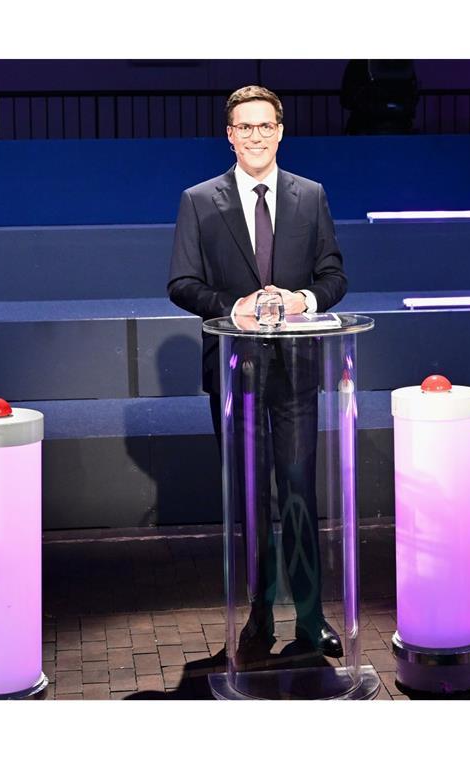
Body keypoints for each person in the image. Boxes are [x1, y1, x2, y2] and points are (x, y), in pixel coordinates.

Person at [169, 85, 348, 659]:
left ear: (280, 131)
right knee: (251, 499)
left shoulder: (310, 195)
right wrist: (234, 307)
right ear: (229, 135)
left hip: (295, 373)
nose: (254, 136)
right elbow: (181, 284)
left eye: (263, 126)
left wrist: (302, 300)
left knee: (297, 493)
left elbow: (333, 275)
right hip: (233, 373)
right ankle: (260, 614)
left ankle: (313, 618)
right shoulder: (199, 200)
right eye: (243, 127)